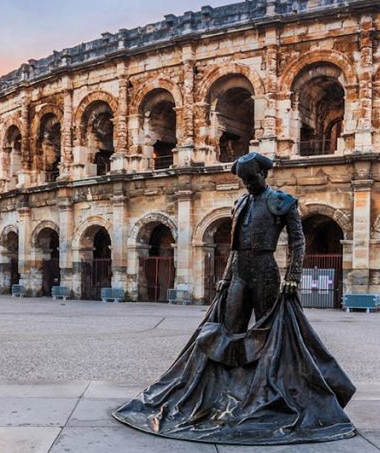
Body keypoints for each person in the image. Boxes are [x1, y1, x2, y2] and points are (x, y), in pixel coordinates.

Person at [114, 153, 356, 446]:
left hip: (266, 270)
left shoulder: (283, 201)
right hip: (241, 271)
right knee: (228, 331)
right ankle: (224, 390)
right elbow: (235, 248)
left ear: (262, 175)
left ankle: (265, 388)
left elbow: (297, 241)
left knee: (267, 334)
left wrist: (293, 275)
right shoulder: (241, 203)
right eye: (243, 179)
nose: (247, 183)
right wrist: (227, 278)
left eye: (251, 178)